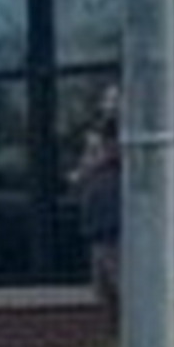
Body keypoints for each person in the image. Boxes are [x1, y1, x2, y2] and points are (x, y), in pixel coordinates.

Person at [74, 92, 121, 327]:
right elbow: (81, 175)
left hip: (117, 229)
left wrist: (96, 158)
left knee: (125, 290)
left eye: (111, 101)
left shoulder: (121, 130)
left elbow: (119, 153)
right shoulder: (98, 136)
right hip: (97, 229)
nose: (106, 105)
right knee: (104, 294)